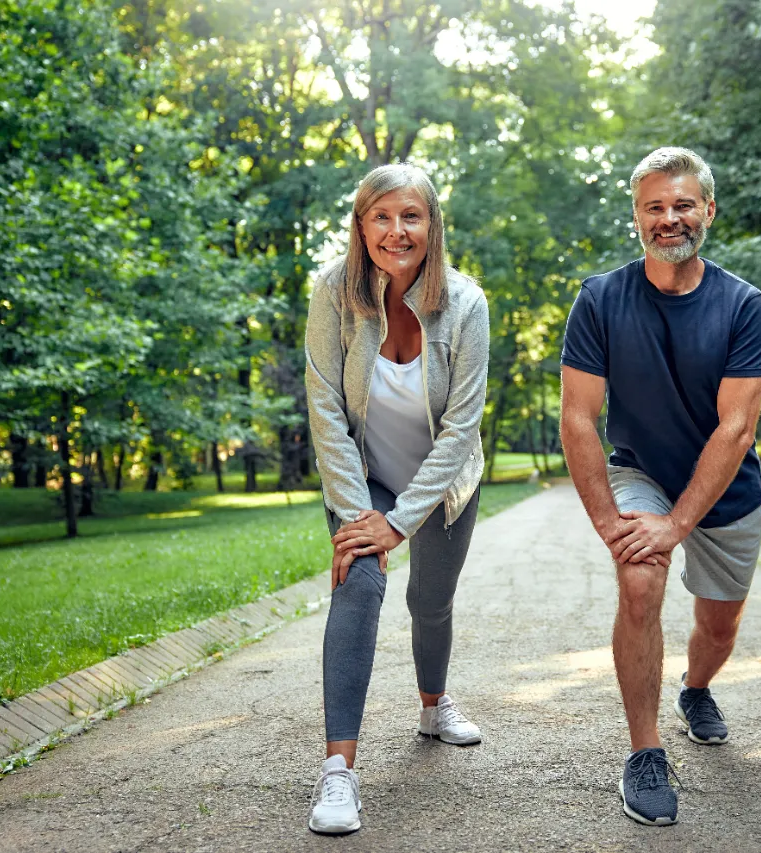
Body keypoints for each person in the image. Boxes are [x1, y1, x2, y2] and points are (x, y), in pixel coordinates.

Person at [559, 147, 761, 826]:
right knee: (641, 576)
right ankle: (646, 753)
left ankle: (697, 687)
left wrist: (680, 524)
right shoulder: (599, 299)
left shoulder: (744, 305)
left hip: (725, 488)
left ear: (707, 210)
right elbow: (577, 417)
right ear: (637, 218)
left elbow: (736, 429)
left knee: (718, 625)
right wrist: (612, 526)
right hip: (641, 469)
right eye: (655, 207)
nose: (669, 218)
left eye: (683, 204)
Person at [303, 163, 490, 835]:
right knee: (357, 584)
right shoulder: (333, 292)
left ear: (432, 226)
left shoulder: (467, 304)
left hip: (444, 482)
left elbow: (462, 428)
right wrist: (364, 519)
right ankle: (337, 771)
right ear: (361, 225)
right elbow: (325, 407)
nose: (396, 230)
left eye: (410, 216)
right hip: (365, 475)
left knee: (428, 600)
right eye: (380, 216)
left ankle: (433, 705)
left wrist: (402, 522)